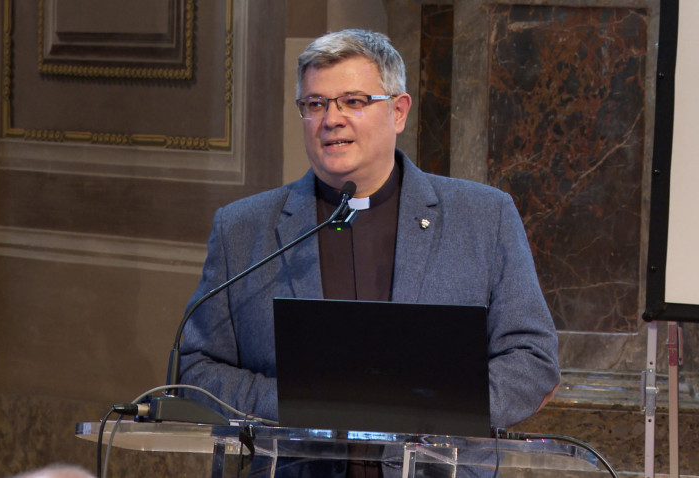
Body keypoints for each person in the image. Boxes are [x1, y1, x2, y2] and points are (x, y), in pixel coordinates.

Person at [179, 29, 559, 432]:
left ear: (399, 111)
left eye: (354, 101)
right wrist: (300, 405)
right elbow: (197, 368)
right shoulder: (242, 229)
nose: (331, 119)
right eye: (315, 104)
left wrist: (431, 407)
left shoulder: (484, 217)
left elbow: (532, 360)